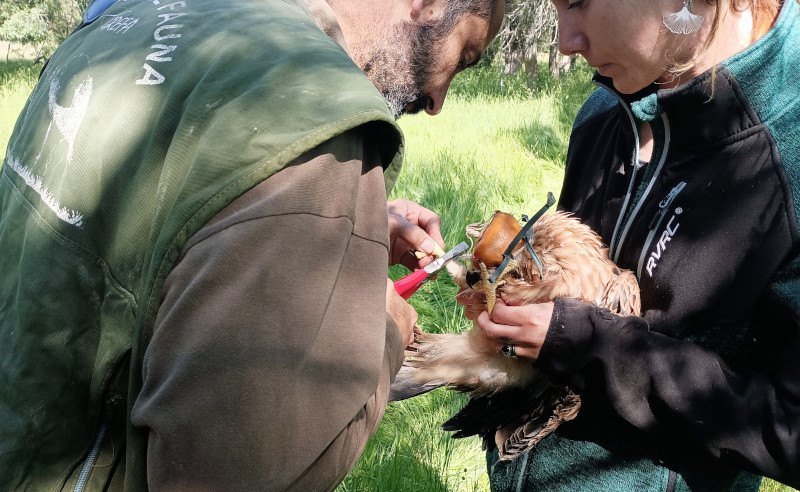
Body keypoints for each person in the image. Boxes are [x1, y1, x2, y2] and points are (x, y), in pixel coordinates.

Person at [0, 0, 504, 489]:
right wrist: (384, 333)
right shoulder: (314, 114)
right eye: (462, 58)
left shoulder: (138, 16)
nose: (438, 102)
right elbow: (231, 473)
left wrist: (332, 221)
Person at [459, 0, 800, 489]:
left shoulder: (789, 150)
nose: (565, 41)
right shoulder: (604, 111)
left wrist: (593, 347)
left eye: (579, 3)